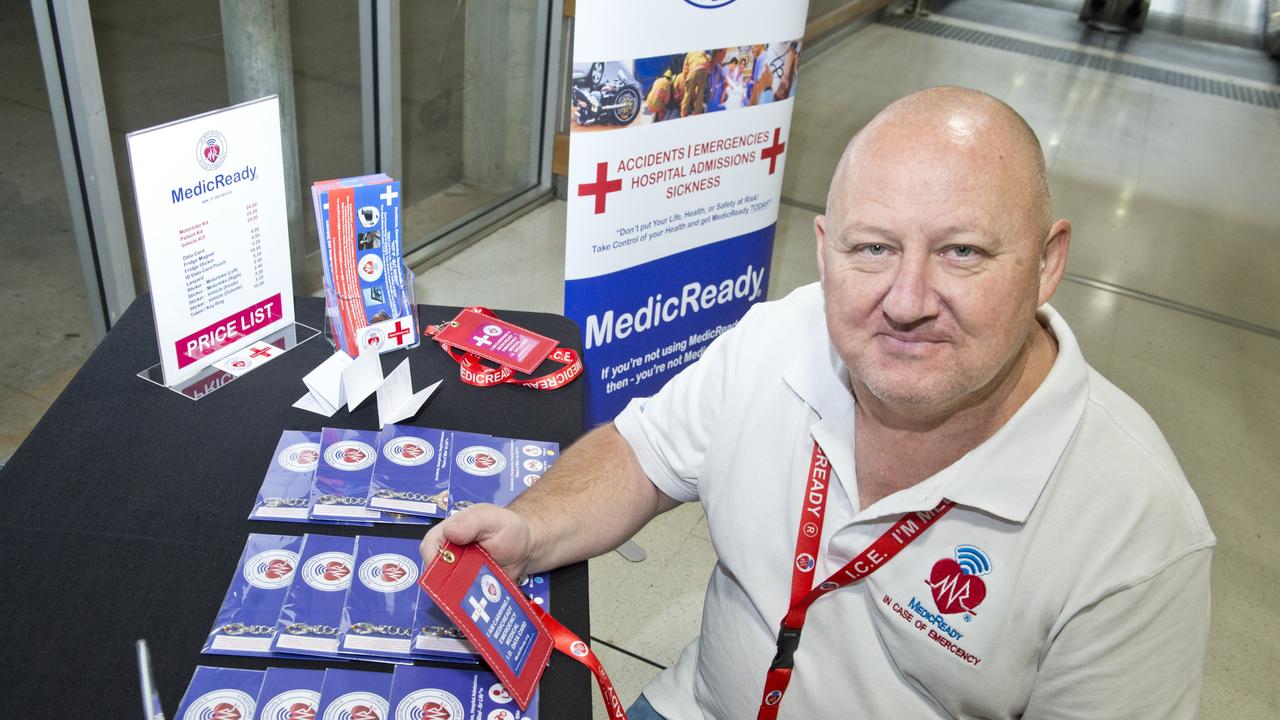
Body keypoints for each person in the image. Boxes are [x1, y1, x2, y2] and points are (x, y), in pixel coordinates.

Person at [421, 87, 1215, 718]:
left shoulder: (1139, 534)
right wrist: (530, 529)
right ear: (825, 250)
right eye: (873, 248)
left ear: (1046, 264)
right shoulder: (779, 336)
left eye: (961, 252)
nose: (906, 301)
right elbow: (640, 456)